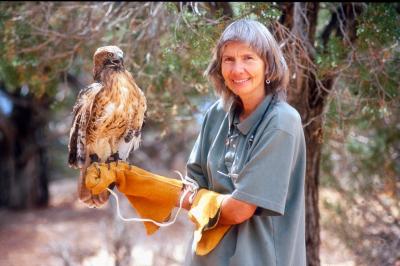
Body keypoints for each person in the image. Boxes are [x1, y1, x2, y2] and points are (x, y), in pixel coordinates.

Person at [85, 19, 306, 266]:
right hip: (204, 259)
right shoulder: (217, 114)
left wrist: (152, 186)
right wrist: (132, 180)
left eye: (248, 58)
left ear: (269, 65)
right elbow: (194, 186)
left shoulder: (282, 123)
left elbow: (239, 210)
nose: (237, 69)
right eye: (228, 59)